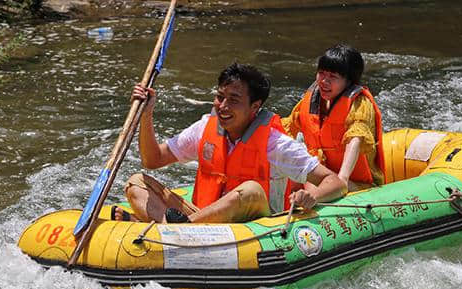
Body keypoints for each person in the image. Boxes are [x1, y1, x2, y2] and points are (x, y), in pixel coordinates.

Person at [113, 63, 346, 224]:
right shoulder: (205, 127)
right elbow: (152, 160)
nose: (222, 106)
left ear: (255, 107)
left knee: (251, 190)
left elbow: (334, 182)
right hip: (201, 218)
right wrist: (146, 114)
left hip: (254, 228)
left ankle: (171, 230)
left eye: (233, 100)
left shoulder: (276, 143)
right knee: (137, 182)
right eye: (220, 97)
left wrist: (312, 197)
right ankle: (175, 230)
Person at [282, 44, 385, 192]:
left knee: (313, 184)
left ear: (349, 81)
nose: (324, 81)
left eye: (333, 77)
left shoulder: (360, 104)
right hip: (322, 174)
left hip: (356, 183)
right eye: (322, 73)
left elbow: (355, 138)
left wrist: (342, 178)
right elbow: (286, 127)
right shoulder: (312, 100)